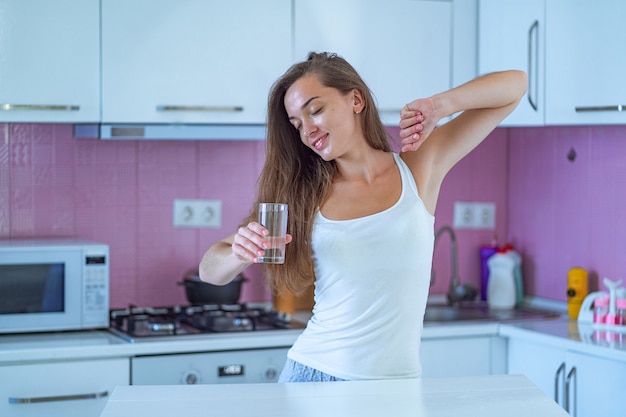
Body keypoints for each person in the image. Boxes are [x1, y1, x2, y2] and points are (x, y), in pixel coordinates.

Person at [199, 52, 527, 382]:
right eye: (297, 124)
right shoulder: (303, 195)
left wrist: (440, 105)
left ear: (355, 100)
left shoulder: (418, 167)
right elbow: (209, 270)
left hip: (399, 388)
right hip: (317, 379)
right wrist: (238, 254)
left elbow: (515, 86)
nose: (307, 130)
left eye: (315, 110)